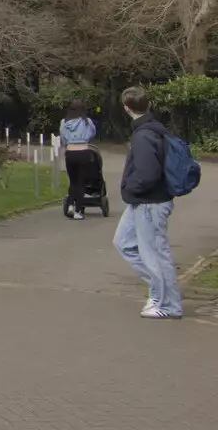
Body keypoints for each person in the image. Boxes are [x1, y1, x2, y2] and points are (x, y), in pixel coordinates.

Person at [114, 86, 182, 319]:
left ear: (126, 108)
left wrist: (129, 189)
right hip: (142, 202)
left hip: (150, 202)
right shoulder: (149, 130)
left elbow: (148, 174)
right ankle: (158, 291)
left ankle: (167, 304)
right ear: (148, 105)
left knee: (155, 253)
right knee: (123, 242)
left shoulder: (144, 135)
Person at [59, 100, 98, 220]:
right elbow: (92, 134)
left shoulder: (64, 122)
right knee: (81, 183)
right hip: (83, 152)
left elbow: (63, 137)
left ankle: (70, 205)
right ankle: (77, 210)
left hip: (70, 152)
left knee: (73, 181)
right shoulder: (87, 122)